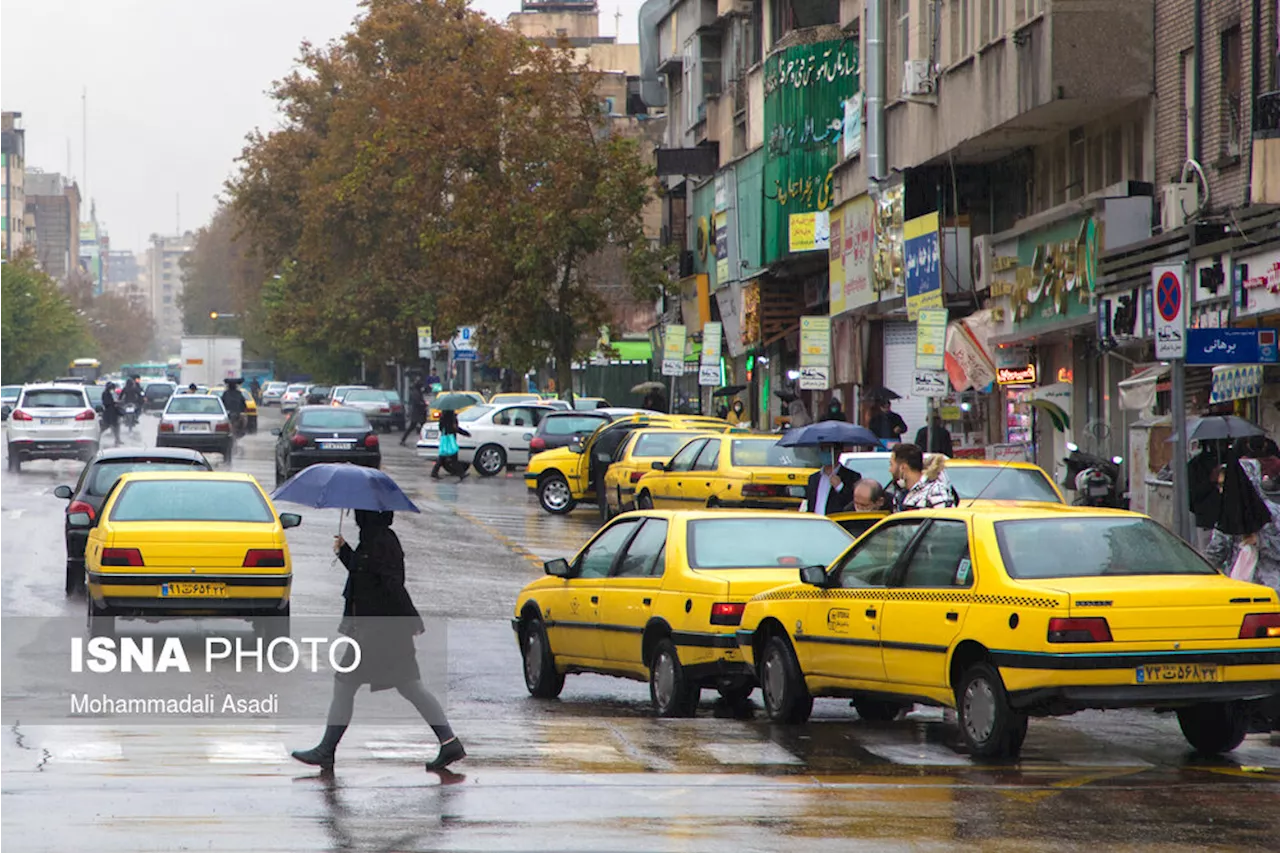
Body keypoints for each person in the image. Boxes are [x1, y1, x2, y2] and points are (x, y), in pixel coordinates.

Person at [291, 510, 464, 773]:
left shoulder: (381, 542)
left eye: (360, 512)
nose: (356, 516)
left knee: (345, 684)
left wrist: (410, 620)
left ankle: (326, 750)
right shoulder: (375, 539)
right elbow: (366, 577)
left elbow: (392, 586)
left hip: (377, 632)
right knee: (409, 687)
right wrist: (345, 552)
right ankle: (449, 741)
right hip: (379, 632)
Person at [1205, 456, 1280, 593]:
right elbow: (1215, 554)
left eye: (1225, 485)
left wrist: (1260, 541)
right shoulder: (1227, 517)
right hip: (1237, 590)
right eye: (1220, 485)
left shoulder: (1274, 514)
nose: (1222, 491)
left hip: (1270, 592)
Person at [890, 443, 959, 511]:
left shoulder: (935, 490)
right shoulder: (900, 494)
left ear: (902, 468)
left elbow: (946, 519)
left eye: (891, 464)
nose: (890, 470)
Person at [802, 444, 862, 515]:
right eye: (822, 449)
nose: (824, 453)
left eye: (828, 450)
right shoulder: (813, 478)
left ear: (838, 452)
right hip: (816, 523)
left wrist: (840, 487)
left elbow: (853, 503)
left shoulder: (852, 476)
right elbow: (810, 505)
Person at [1189, 443, 1224, 552]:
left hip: (1216, 518)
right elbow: (1193, 496)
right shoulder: (1196, 466)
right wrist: (1211, 482)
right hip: (1206, 518)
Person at [432, 408, 471, 480]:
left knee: (443, 456)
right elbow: (455, 428)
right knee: (453, 457)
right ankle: (461, 474)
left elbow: (440, 427)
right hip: (450, 438)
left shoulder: (443, 416)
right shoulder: (451, 416)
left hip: (445, 437)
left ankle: (434, 472)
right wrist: (465, 433)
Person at [400, 381, 428, 446]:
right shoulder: (416, 393)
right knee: (414, 426)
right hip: (417, 413)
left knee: (417, 427)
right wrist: (424, 404)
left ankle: (403, 440)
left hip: (418, 413)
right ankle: (403, 440)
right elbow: (418, 402)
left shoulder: (417, 392)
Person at [99, 381, 121, 447]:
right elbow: (107, 403)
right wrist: (114, 403)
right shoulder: (105, 394)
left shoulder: (110, 393)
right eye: (112, 388)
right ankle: (98, 437)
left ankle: (117, 439)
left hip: (112, 412)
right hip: (109, 413)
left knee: (116, 426)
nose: (113, 390)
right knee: (106, 426)